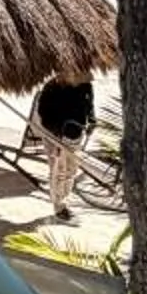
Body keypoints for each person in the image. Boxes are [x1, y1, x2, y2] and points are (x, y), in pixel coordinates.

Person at [34, 76, 95, 223]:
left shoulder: (85, 85)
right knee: (58, 170)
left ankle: (65, 201)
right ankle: (59, 207)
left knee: (71, 170)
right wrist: (57, 137)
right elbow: (43, 114)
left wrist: (92, 120)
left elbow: (90, 106)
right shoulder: (53, 87)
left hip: (75, 133)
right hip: (54, 134)